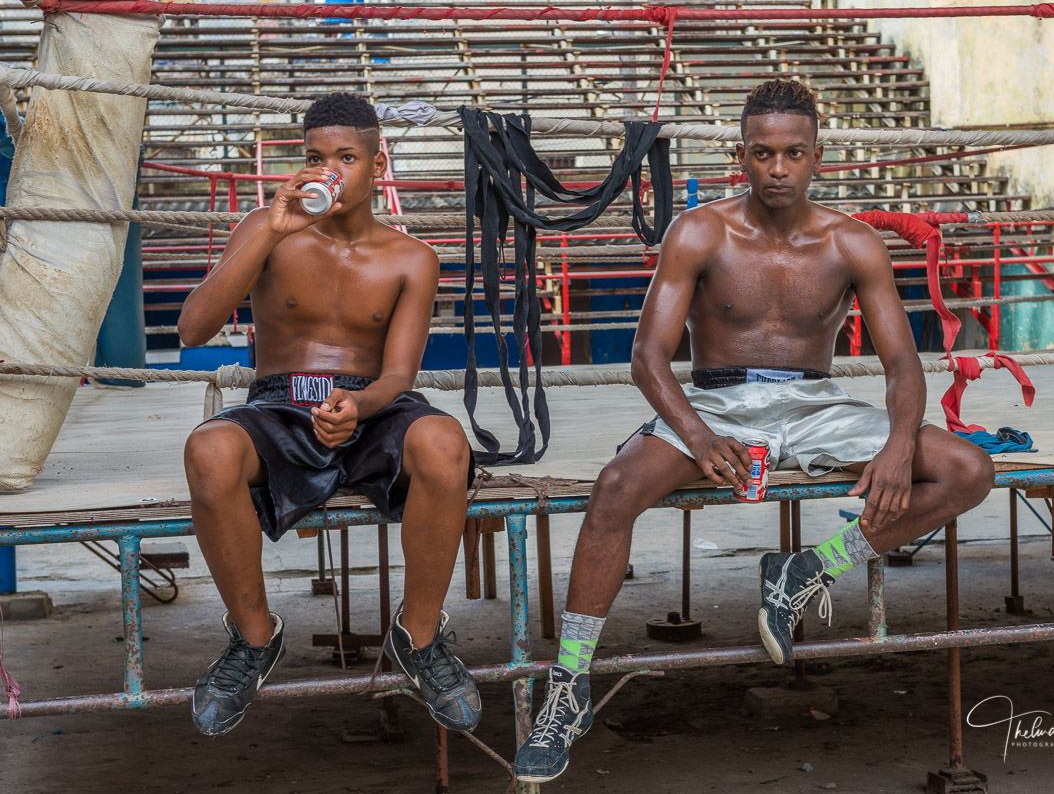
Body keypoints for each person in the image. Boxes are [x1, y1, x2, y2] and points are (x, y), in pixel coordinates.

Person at [513, 79, 996, 783]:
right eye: (763, 153)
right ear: (742, 154)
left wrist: (899, 443)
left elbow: (901, 363)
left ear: (816, 156)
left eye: (793, 153)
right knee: (615, 486)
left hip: (815, 402)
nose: (777, 168)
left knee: (970, 469)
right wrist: (699, 437)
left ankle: (807, 568)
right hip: (714, 404)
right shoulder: (702, 231)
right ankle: (569, 684)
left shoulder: (852, 243)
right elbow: (647, 357)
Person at [179, 93, 480, 737]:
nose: (330, 172)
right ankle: (255, 640)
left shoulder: (410, 257)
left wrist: (361, 404)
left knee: (445, 443)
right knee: (208, 450)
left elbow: (400, 374)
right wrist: (267, 231)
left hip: (372, 404)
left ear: (378, 161)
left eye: (347, 156)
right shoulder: (267, 229)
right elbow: (193, 329)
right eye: (316, 158)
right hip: (280, 402)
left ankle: (418, 638)